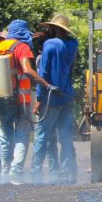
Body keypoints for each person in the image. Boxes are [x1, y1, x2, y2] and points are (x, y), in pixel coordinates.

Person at [0, 20, 56, 184]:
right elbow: (27, 69)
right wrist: (45, 84)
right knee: (22, 135)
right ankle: (15, 172)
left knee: (4, 135)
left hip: (0, 98)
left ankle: (4, 172)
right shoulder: (21, 47)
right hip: (21, 99)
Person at [29, 15, 79, 184]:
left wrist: (39, 100)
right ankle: (69, 174)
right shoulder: (73, 44)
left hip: (51, 97)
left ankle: (35, 173)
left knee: (41, 136)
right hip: (67, 95)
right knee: (65, 136)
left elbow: (43, 74)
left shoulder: (49, 45)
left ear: (54, 28)